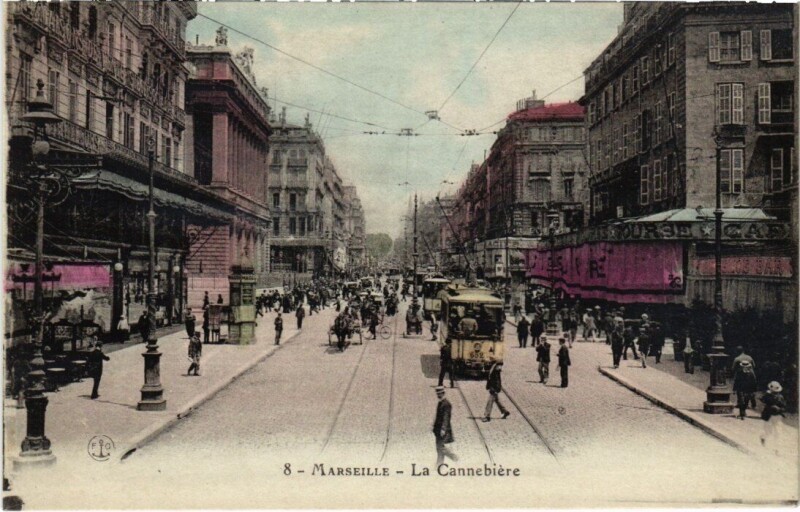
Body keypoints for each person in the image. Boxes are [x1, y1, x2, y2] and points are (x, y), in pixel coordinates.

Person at [433, 386, 457, 467]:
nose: (438, 396)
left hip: (443, 431)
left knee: (441, 448)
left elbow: (446, 418)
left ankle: (454, 457)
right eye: (437, 394)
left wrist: (443, 429)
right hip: (438, 430)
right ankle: (439, 465)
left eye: (439, 394)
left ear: (443, 393)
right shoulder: (441, 403)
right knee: (439, 448)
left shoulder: (446, 404)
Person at [760, 381, 787, 451]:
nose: (775, 393)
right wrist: (771, 406)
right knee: (768, 431)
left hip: (777, 416)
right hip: (768, 416)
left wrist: (779, 409)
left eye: (776, 392)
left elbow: (784, 407)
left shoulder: (780, 397)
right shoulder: (767, 396)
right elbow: (763, 400)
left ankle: (777, 448)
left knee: (778, 432)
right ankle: (763, 438)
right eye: (774, 391)